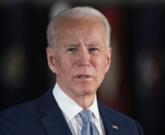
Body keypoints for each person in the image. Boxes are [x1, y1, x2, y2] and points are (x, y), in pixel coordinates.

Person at [0, 6, 144, 135]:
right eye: (72, 49)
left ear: (107, 60)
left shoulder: (130, 128)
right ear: (52, 60)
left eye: (93, 49)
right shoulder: (13, 125)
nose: (84, 60)